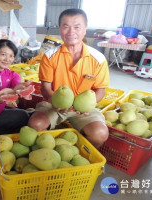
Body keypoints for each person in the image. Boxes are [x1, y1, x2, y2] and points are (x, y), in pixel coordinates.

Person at [28, 8, 110, 148]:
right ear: (60, 29)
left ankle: (84, 155)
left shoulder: (98, 59)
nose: (71, 32)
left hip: (84, 109)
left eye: (77, 27)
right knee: (35, 124)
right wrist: (56, 101)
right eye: (66, 26)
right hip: (54, 104)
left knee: (100, 133)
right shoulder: (49, 56)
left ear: (85, 29)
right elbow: (46, 88)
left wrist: (86, 106)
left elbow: (100, 91)